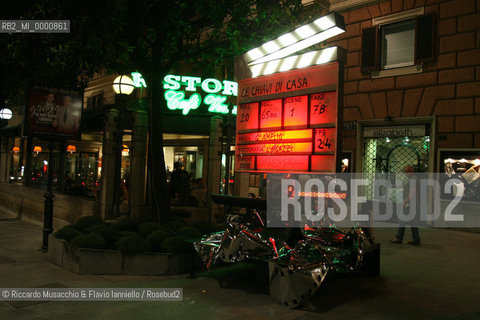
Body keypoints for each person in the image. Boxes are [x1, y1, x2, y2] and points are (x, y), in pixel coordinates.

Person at [391, 165, 421, 245]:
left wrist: (406, 201)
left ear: (409, 172)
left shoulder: (413, 179)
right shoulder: (414, 179)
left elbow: (413, 192)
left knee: (402, 219)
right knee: (413, 222)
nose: (405, 174)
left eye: (406, 172)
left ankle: (399, 237)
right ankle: (416, 239)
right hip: (413, 203)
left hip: (410, 204)